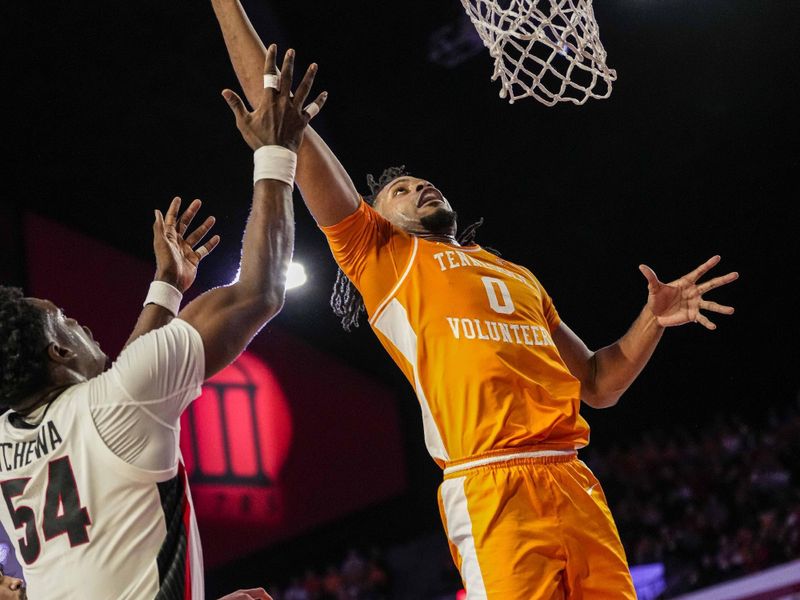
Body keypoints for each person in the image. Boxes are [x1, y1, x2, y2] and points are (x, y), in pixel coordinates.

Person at [209, 3, 738, 597]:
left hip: (574, 480)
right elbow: (288, 128)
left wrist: (652, 320)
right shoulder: (382, 257)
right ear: (377, 221)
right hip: (493, 489)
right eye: (399, 192)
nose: (417, 187)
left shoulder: (517, 276)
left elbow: (598, 382)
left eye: (418, 182)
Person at [0, 46, 323, 599]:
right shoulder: (118, 402)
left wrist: (167, 287)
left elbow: (127, 388)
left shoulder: (8, 436)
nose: (83, 325)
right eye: (67, 321)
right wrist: (276, 152)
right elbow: (259, 292)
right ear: (56, 353)